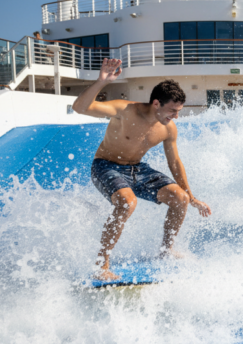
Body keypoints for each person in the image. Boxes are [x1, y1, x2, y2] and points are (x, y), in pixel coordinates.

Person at [73, 58, 212, 281]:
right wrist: (101, 82)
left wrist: (192, 196)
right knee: (127, 202)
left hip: (137, 169)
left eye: (178, 112)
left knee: (180, 198)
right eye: (172, 111)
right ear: (156, 103)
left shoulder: (168, 128)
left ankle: (166, 250)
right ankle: (102, 265)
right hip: (105, 166)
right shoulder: (124, 110)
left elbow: (175, 163)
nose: (176, 116)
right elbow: (80, 108)